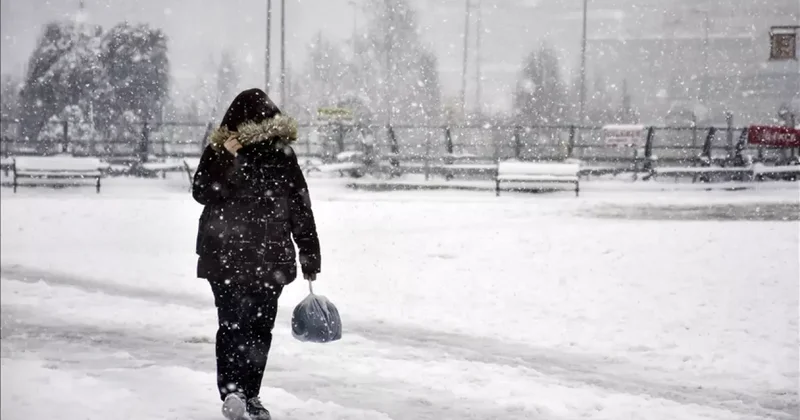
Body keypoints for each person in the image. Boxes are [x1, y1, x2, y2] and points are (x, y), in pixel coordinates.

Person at [192, 88, 321, 420]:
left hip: (249, 257)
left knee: (241, 328)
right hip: (244, 257)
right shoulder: (222, 152)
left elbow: (298, 205)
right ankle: (241, 395)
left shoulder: (280, 155)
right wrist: (223, 158)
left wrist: (309, 252)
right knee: (249, 329)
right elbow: (203, 192)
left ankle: (242, 394)